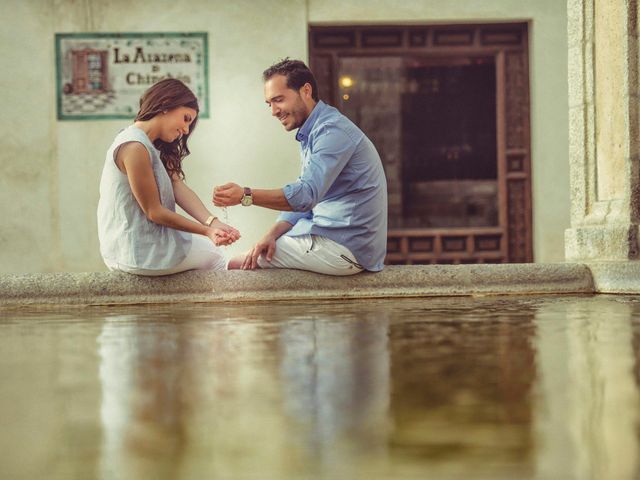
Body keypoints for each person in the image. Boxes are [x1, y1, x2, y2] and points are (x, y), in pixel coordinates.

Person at [213, 59, 387, 276]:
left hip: (344, 248)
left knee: (235, 265)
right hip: (335, 241)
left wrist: (245, 195)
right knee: (260, 248)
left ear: (306, 91)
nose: (273, 111)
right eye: (269, 103)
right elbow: (304, 201)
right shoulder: (314, 130)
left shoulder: (332, 132)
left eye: (278, 100)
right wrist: (272, 233)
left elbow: (305, 196)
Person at [97, 78, 240, 276]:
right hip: (135, 251)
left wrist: (213, 223)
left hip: (138, 247)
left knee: (209, 255)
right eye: (186, 118)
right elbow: (154, 212)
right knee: (216, 258)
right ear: (166, 105)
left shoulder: (151, 144)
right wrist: (206, 232)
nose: (186, 130)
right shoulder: (134, 147)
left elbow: (177, 187)